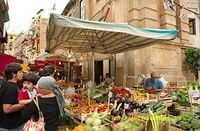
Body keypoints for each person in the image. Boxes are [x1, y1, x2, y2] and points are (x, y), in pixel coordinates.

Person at [0, 62, 24, 130]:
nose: (22, 73)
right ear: (14, 74)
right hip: (10, 126)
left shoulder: (8, 84)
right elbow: (7, 109)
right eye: (20, 72)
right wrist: (25, 104)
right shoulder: (11, 88)